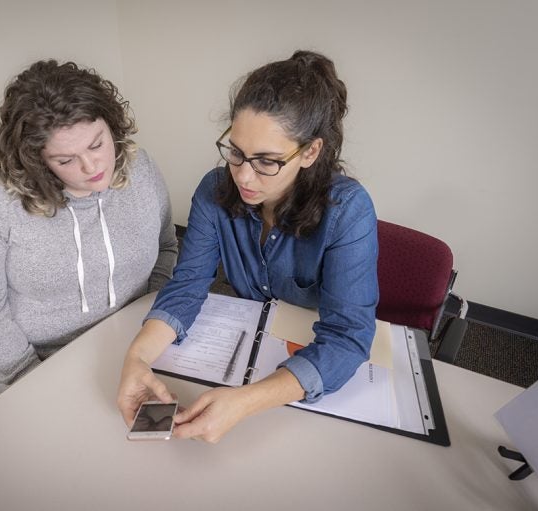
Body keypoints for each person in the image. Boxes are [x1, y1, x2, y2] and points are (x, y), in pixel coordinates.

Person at [116, 50, 378, 443]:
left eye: (267, 161)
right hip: (248, 346)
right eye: (236, 152)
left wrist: (244, 402)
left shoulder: (349, 210)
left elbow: (347, 338)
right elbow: (187, 284)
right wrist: (136, 359)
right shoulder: (214, 189)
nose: (243, 175)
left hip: (301, 363)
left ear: (310, 152)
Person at [0, 60, 178, 398]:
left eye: (96, 144)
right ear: (36, 160)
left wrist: (152, 320)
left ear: (112, 126)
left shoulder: (140, 169)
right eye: (65, 160)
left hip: (136, 342)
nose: (92, 167)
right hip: (38, 362)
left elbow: (166, 247)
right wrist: (31, 376)